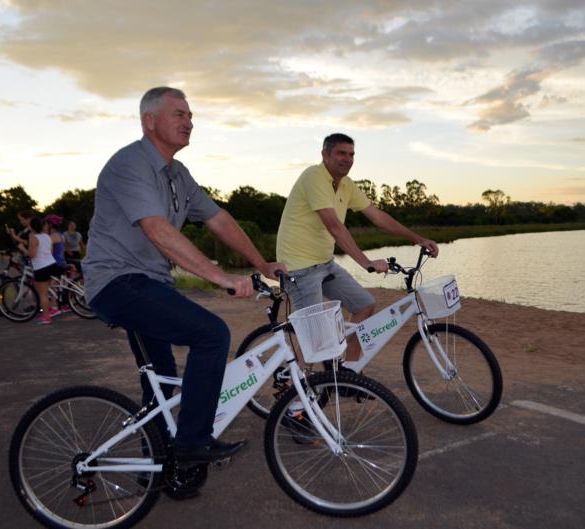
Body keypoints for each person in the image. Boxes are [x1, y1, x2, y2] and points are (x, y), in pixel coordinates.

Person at [83, 86, 284, 471]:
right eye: (179, 114)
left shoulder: (179, 175)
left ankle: (163, 470)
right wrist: (220, 277)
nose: (189, 122)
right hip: (118, 282)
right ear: (149, 121)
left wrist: (261, 264)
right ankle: (192, 443)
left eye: (191, 115)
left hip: (148, 284)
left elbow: (218, 219)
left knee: (160, 382)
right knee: (211, 334)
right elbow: (157, 230)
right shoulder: (130, 164)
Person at [276, 132, 439, 365]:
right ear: (325, 154)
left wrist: (417, 238)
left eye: (351, 154)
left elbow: (378, 216)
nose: (348, 159)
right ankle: (294, 392)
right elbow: (334, 226)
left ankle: (349, 370)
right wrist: (367, 262)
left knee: (364, 305)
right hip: (299, 267)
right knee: (315, 334)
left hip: (324, 262)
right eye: (341, 153)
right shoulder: (314, 177)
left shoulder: (346, 185)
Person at [19, 217, 58, 324]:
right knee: (49, 290)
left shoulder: (33, 237)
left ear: (31, 226)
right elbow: (50, 251)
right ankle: (52, 308)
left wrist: (23, 249)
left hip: (41, 267)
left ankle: (46, 318)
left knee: (42, 294)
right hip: (52, 264)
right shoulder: (47, 236)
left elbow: (32, 255)